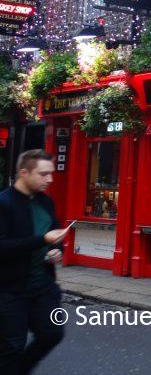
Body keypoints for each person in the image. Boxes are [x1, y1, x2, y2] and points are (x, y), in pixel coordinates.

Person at [0, 149, 71, 374]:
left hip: (43, 286)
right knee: (11, 345)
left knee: (52, 333)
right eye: (43, 174)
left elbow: (53, 232)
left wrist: (55, 249)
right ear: (24, 172)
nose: (49, 179)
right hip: (10, 289)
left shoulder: (46, 202)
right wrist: (41, 240)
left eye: (50, 174)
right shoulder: (4, 203)